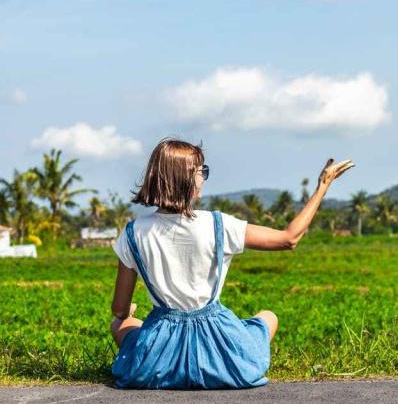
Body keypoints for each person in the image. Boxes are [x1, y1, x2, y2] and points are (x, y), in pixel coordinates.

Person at [109, 138, 354, 389]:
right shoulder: (219, 224)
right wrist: (322, 187)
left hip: (156, 363)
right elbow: (289, 238)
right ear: (184, 178)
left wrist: (128, 314)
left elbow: (118, 309)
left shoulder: (133, 233)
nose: (203, 178)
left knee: (122, 323)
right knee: (268, 317)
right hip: (221, 354)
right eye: (200, 171)